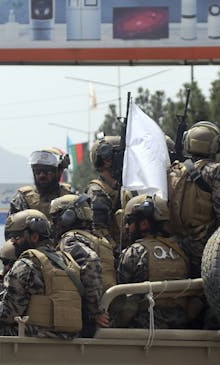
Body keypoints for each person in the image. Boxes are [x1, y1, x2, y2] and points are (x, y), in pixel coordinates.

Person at [0, 209, 83, 339]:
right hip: (68, 338)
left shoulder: (25, 265)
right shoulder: (68, 261)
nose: (13, 242)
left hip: (34, 340)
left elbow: (8, 314)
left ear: (34, 237)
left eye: (17, 237)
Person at [168, 120, 220, 278]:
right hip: (204, 248)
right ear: (216, 145)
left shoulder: (176, 169)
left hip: (178, 244)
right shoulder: (216, 170)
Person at [115, 194, 190, 329]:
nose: (126, 227)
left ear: (143, 224)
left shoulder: (135, 252)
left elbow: (120, 297)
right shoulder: (181, 249)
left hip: (143, 328)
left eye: (129, 221)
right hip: (180, 326)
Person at [50, 194, 111, 337]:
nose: (54, 224)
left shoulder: (70, 240)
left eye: (55, 219)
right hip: (109, 309)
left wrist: (94, 311)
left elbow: (91, 262)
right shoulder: (100, 240)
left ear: (68, 217)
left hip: (93, 319)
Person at [8, 148, 74, 218]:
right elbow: (12, 225)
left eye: (47, 171)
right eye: (38, 171)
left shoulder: (71, 197)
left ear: (59, 172)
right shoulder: (23, 199)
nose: (42, 175)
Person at [86, 135, 123, 251]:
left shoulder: (122, 188)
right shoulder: (97, 193)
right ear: (107, 160)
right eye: (122, 154)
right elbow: (99, 234)